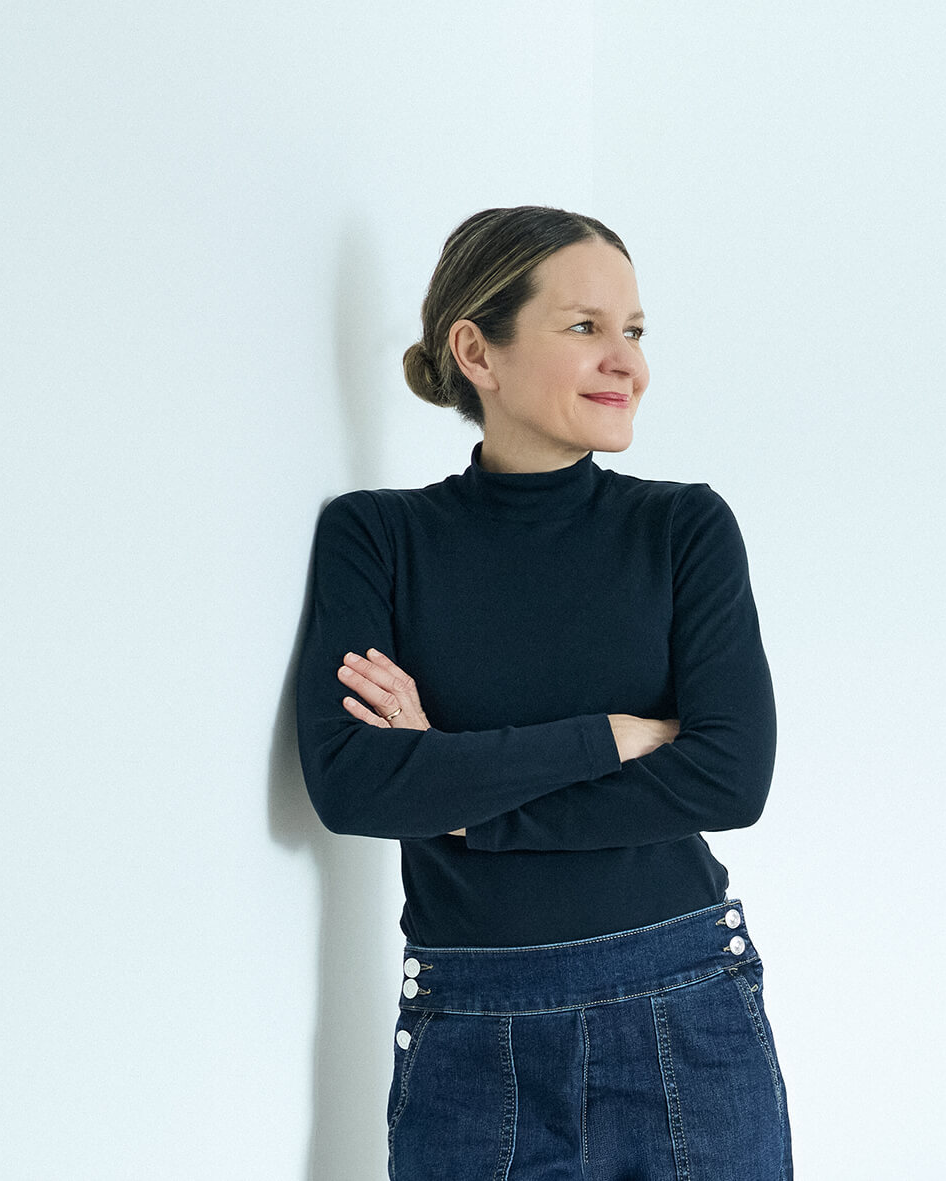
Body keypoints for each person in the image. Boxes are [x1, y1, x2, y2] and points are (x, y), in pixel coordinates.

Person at [294, 206, 791, 1179]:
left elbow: (730, 778)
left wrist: (462, 793)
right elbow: (356, 786)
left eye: (634, 331)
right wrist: (609, 734)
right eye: (583, 327)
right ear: (477, 349)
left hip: (684, 999)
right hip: (471, 1026)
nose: (626, 362)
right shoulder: (377, 538)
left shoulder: (683, 529)